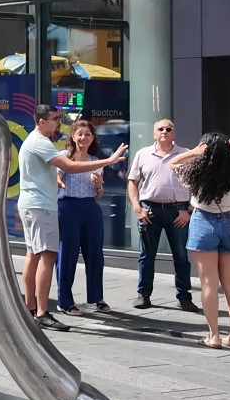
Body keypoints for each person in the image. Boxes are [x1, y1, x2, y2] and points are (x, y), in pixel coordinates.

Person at [170, 132, 230, 348]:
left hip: (203, 223)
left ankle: (214, 336)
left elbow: (172, 162)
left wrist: (195, 152)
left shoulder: (192, 173)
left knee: (208, 283)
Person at [53, 118, 126, 315]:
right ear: (73, 136)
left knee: (94, 254)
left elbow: (99, 193)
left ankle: (96, 297)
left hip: (90, 207)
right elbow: (58, 178)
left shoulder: (95, 161)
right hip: (67, 208)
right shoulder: (63, 157)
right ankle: (65, 301)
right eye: (80, 134)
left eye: (87, 134)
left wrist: (99, 183)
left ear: (93, 138)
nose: (83, 138)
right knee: (66, 254)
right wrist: (60, 181)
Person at [127, 118, 194, 312]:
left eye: (168, 128)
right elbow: (133, 182)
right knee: (146, 255)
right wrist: (137, 208)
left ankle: (184, 296)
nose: (164, 131)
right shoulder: (143, 154)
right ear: (154, 134)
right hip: (150, 211)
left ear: (174, 134)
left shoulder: (185, 154)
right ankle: (143, 295)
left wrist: (188, 209)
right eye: (160, 129)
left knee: (181, 256)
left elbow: (196, 184)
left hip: (178, 211)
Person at [16, 106, 67, 332]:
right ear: (41, 120)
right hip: (40, 206)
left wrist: (53, 180)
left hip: (33, 204)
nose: (58, 122)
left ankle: (30, 307)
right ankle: (42, 313)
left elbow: (42, 169)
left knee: (34, 254)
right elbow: (70, 166)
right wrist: (107, 161)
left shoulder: (35, 141)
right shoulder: (40, 141)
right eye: (55, 119)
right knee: (47, 255)